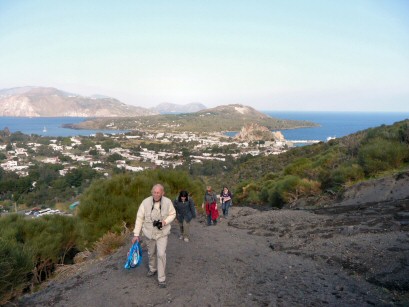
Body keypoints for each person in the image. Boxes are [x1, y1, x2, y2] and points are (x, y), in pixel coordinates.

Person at [132, 184, 176, 288]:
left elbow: (173, 214)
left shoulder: (168, 202)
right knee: (151, 253)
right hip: (149, 233)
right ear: (152, 192)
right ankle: (152, 269)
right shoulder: (145, 202)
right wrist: (136, 234)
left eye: (158, 192)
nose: (156, 195)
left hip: (162, 233)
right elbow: (139, 218)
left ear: (162, 193)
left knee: (161, 254)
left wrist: (165, 222)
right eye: (154, 192)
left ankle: (161, 278)